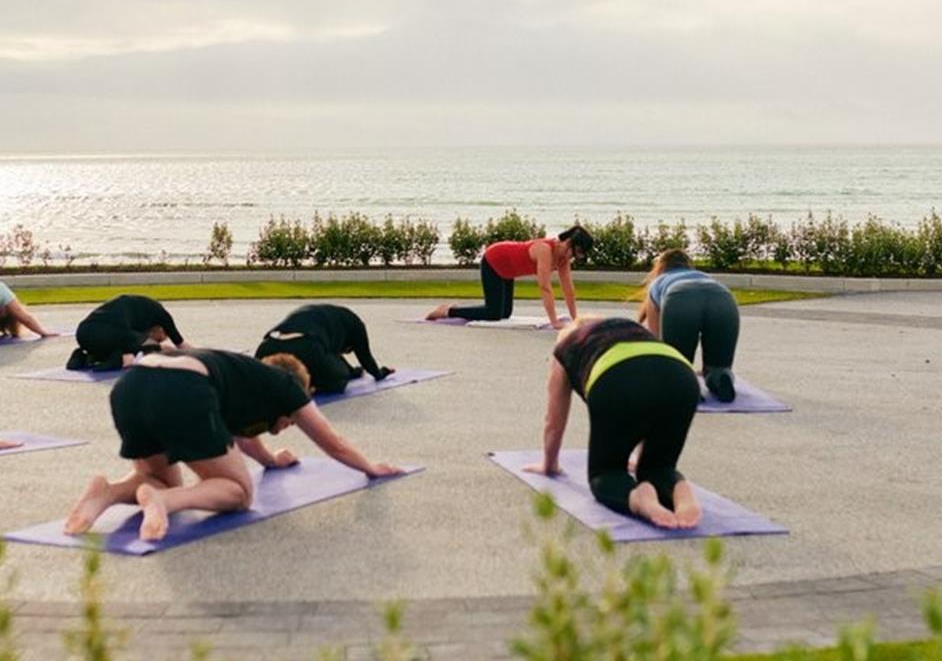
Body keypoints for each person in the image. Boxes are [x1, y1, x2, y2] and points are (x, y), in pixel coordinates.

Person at [62, 348, 401, 542]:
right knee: (239, 493)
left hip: (130, 387)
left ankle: (106, 493)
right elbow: (333, 442)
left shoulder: (245, 376)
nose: (286, 428)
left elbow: (241, 438)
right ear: (299, 393)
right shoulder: (287, 386)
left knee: (162, 477)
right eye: (290, 422)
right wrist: (370, 468)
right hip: (181, 390)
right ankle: (164, 501)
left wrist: (271, 461)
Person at [524, 316, 702, 529]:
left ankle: (638, 497)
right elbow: (650, 379)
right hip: (680, 375)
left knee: (607, 474)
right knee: (659, 468)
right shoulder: (629, 327)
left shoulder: (565, 346)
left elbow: (554, 421)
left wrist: (549, 464)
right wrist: (643, 456)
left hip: (617, 378)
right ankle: (679, 491)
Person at [425, 225, 594, 327]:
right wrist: (554, 321)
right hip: (494, 260)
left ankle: (458, 308)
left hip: (508, 270)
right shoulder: (545, 250)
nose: (575, 257)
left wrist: (575, 319)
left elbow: (568, 290)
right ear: (569, 243)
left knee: (504, 314)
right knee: (493, 313)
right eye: (577, 252)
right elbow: (544, 287)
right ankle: (447, 311)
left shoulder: (563, 258)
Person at [636, 250, 740, 402]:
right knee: (718, 365)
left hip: (679, 297)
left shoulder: (659, 282)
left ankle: (684, 384)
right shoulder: (703, 276)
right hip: (723, 298)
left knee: (677, 366)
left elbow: (658, 339)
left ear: (660, 267)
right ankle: (719, 376)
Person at [253, 303, 393, 395]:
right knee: (338, 381)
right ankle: (311, 385)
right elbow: (365, 357)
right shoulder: (356, 325)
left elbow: (332, 356)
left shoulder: (326, 316)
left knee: (259, 379)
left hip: (268, 346)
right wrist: (379, 374)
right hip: (306, 347)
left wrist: (354, 371)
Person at [68, 293, 189, 372]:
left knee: (131, 345)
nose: (160, 339)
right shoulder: (161, 314)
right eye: (161, 337)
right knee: (139, 349)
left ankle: (85, 356)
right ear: (161, 328)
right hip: (105, 334)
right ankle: (117, 359)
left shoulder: (135, 312)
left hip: (83, 334)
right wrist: (161, 346)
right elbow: (181, 345)